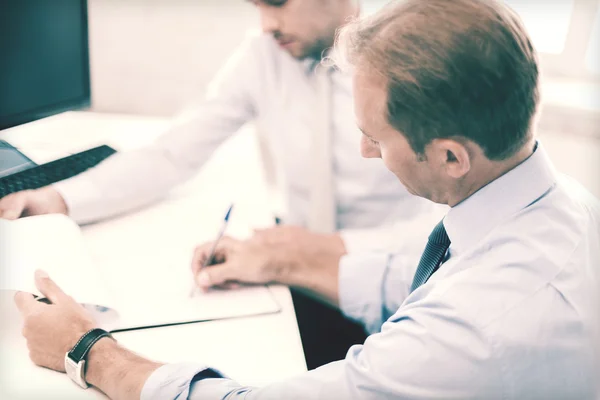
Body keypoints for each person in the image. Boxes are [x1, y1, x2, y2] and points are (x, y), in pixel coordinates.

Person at [15, 0, 600, 398]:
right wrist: (284, 260)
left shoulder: (470, 328)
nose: (368, 151)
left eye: (376, 138)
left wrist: (87, 350)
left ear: (449, 157)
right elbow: (420, 271)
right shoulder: (552, 200)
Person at [0, 0, 442, 368]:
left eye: (277, 3)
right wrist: (60, 198)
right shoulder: (266, 54)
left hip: (399, 286)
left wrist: (309, 251)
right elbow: (175, 151)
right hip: (296, 277)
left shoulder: (412, 63)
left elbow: (449, 218)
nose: (267, 24)